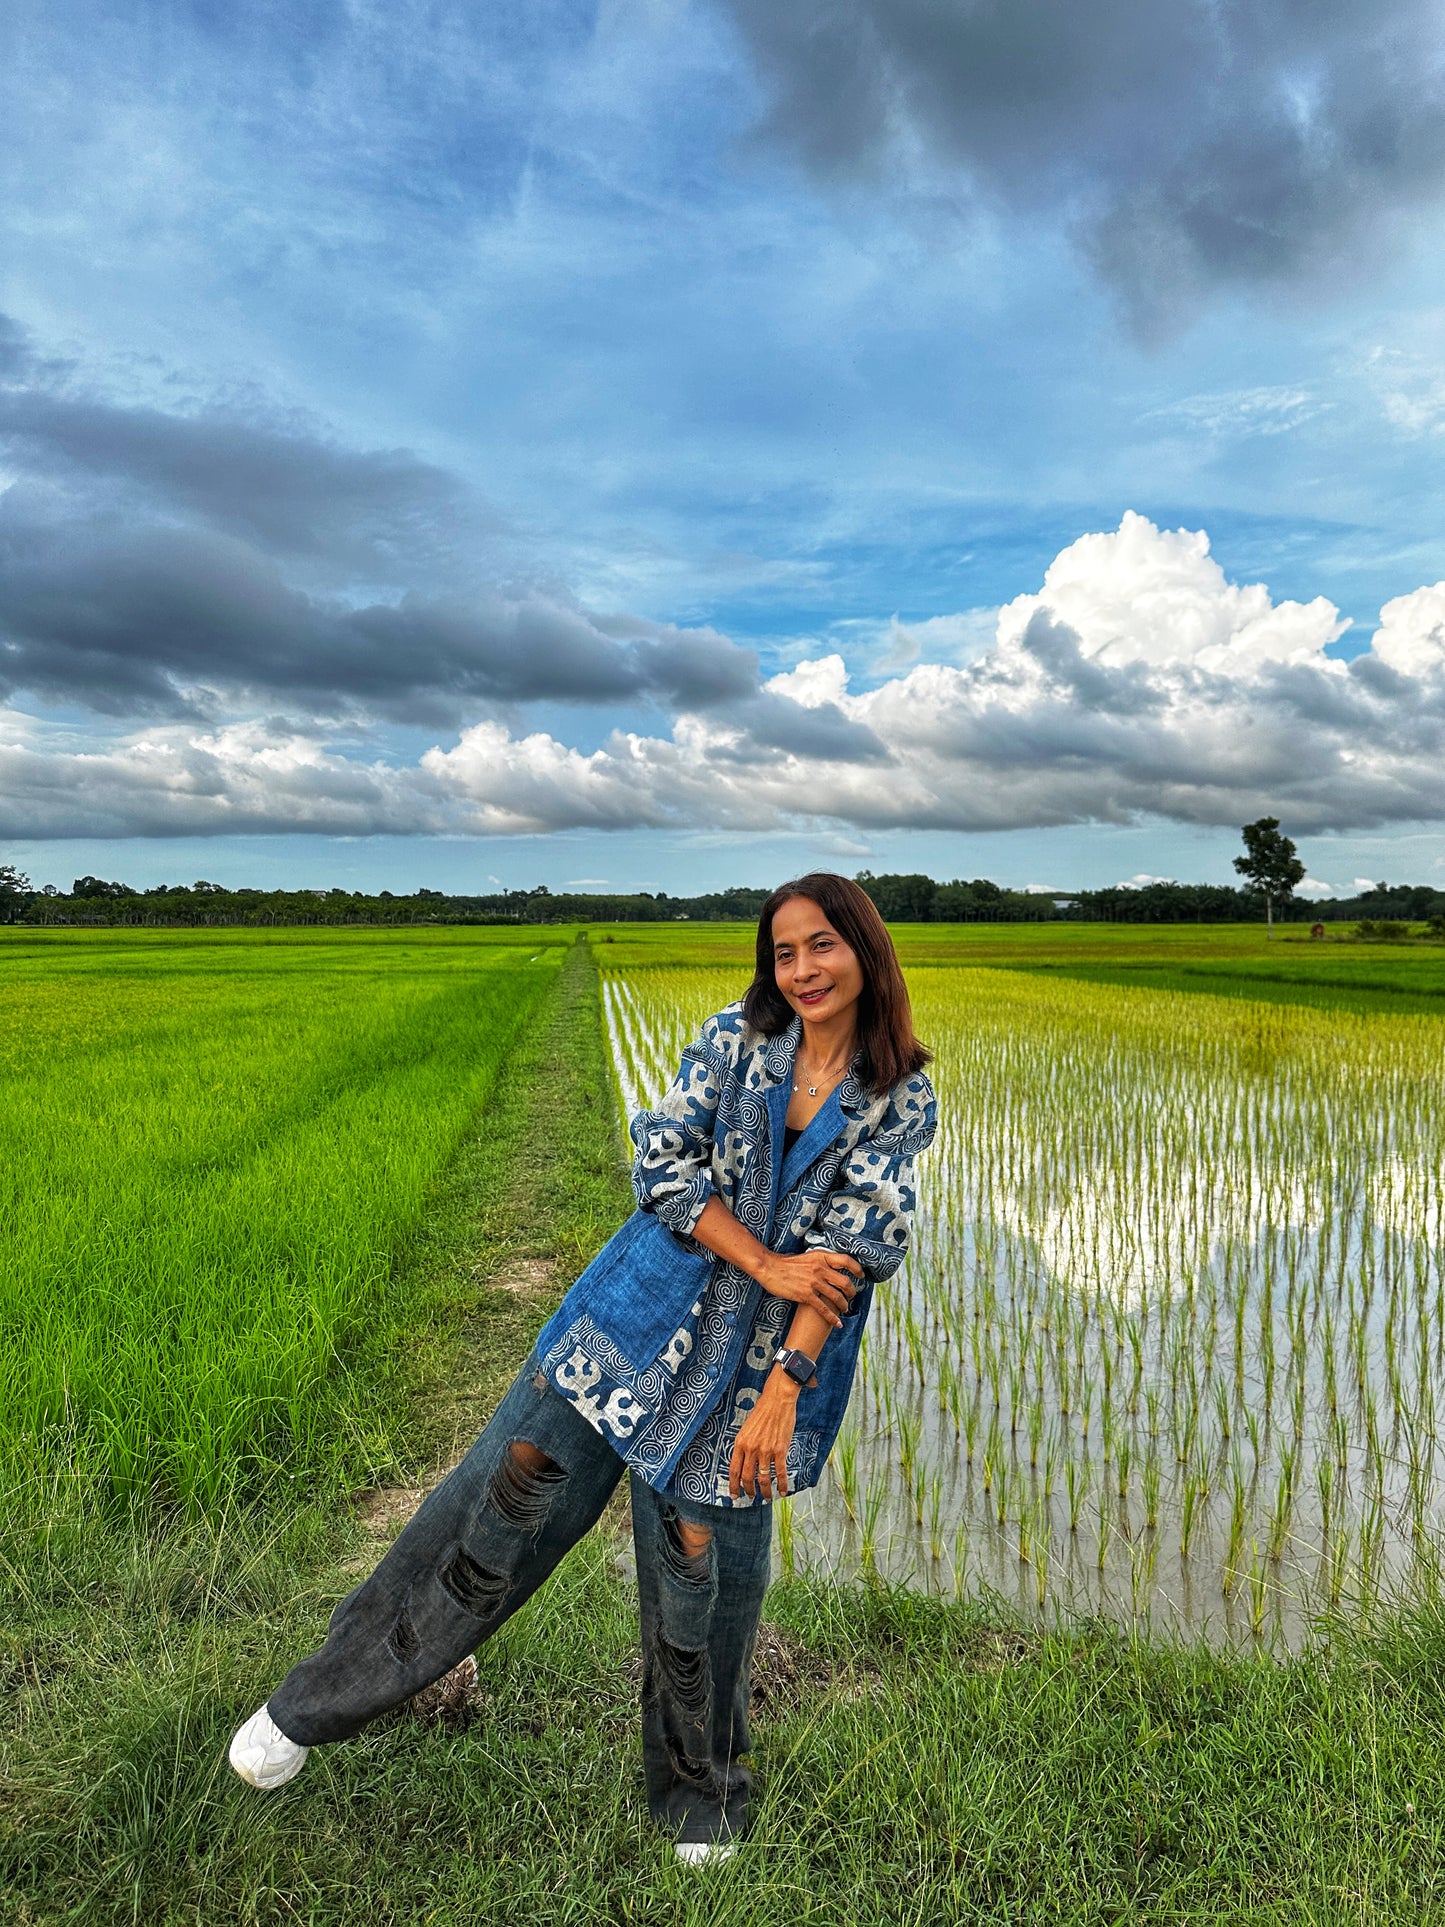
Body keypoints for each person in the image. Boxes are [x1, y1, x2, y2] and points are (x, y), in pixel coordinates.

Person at [229, 872, 936, 1864]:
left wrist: (784, 1389)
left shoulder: (895, 1095)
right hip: (630, 1324)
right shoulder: (736, 1038)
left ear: (863, 948)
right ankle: (307, 1707)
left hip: (751, 1379)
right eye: (784, 950)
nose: (803, 968)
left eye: (822, 944)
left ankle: (697, 1794)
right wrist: (769, 1259)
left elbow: (854, 1252)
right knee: (492, 1510)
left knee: (707, 1588)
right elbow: (662, 1165)